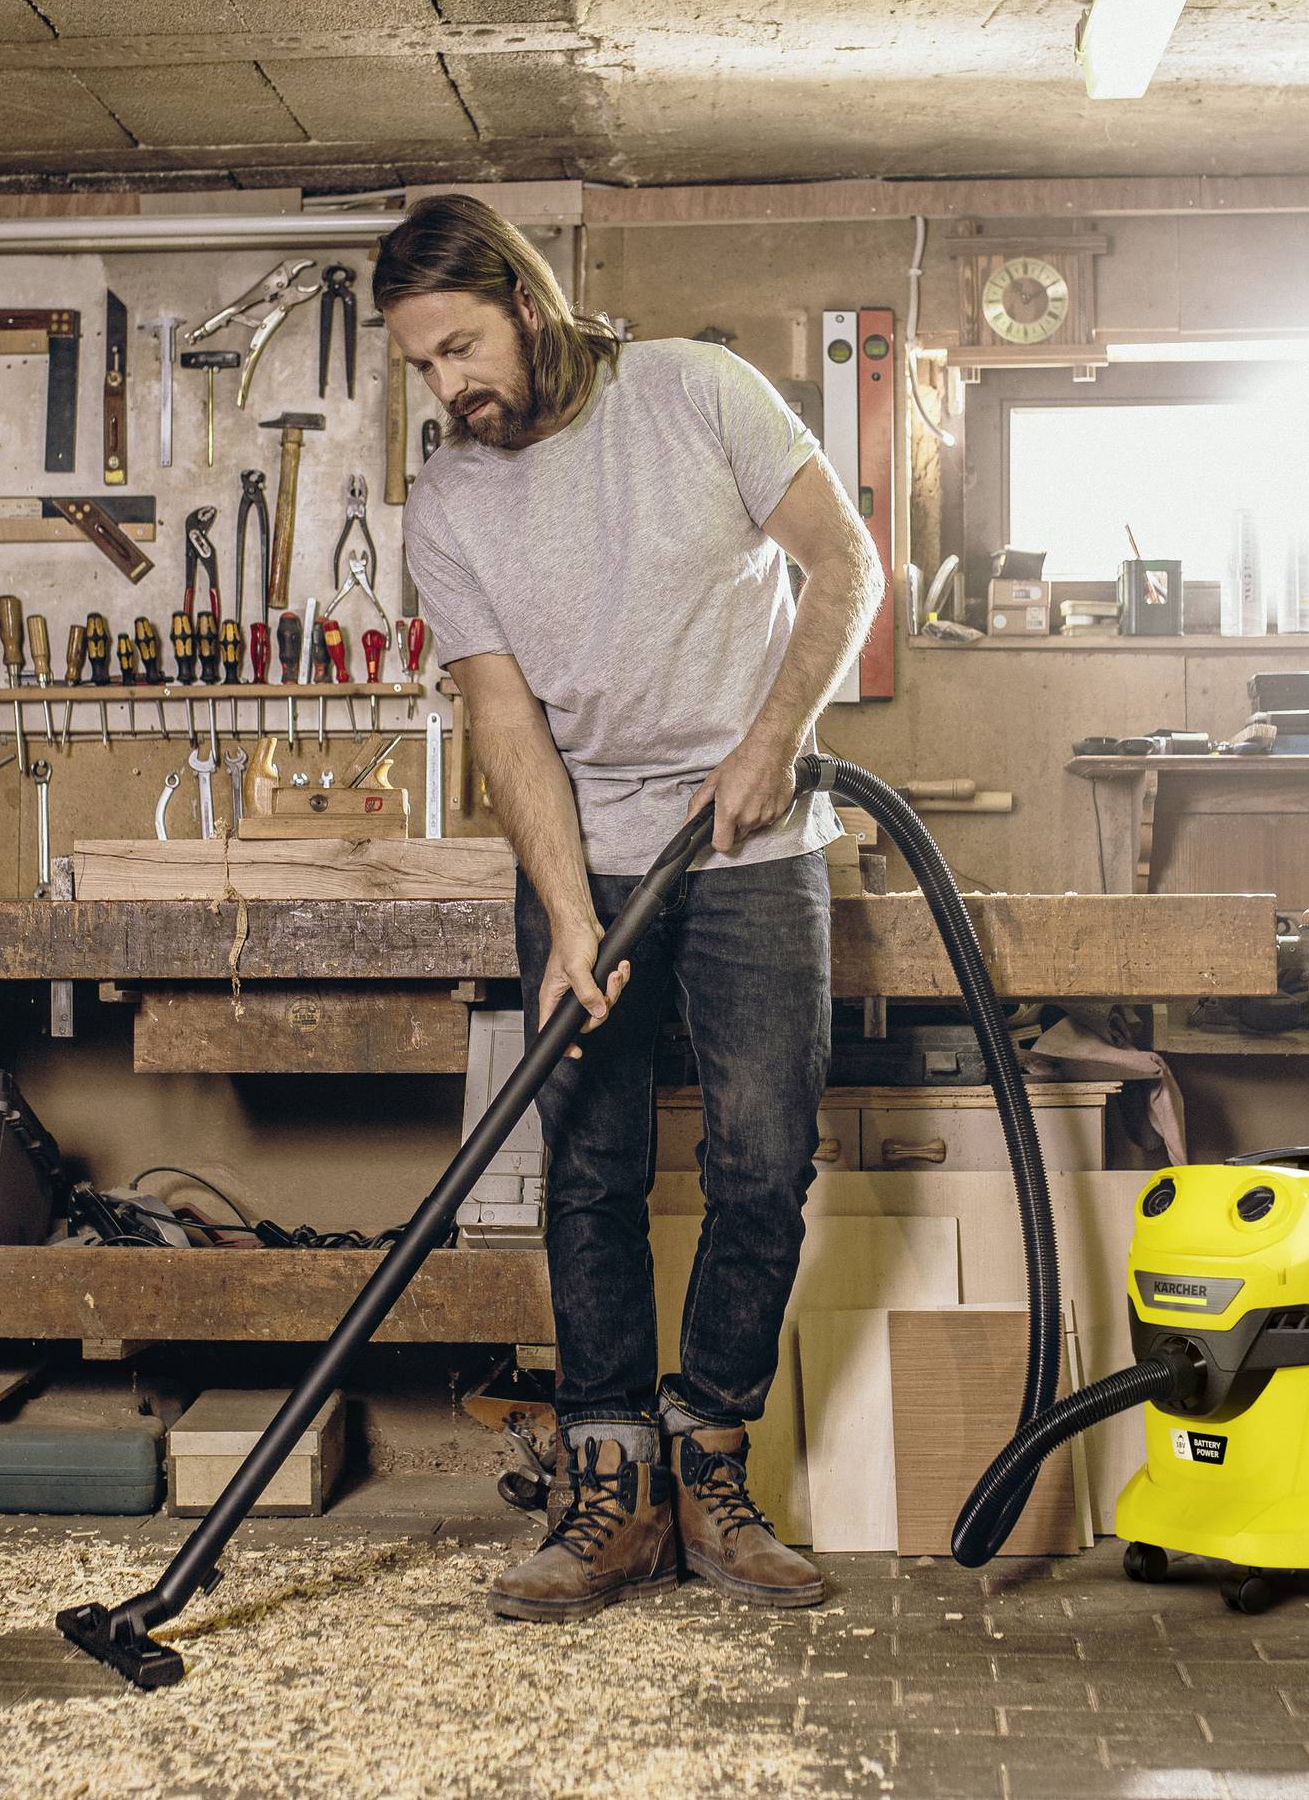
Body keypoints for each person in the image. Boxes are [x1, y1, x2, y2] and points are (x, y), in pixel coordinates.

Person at [381, 194, 883, 1622]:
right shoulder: (450, 501)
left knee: (764, 1159)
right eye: (421, 366)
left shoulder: (694, 395)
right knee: (592, 1168)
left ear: (527, 309)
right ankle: (611, 1488)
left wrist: (773, 737)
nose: (449, 388)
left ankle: (708, 1456)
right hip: (586, 855)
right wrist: (566, 912)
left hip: (751, 841)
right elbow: (507, 723)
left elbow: (848, 563)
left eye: (462, 347)